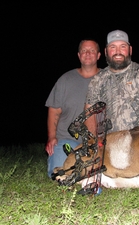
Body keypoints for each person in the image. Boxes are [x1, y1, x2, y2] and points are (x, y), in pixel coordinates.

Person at [45, 39, 101, 178]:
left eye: (92, 51)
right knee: (58, 173)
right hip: (67, 139)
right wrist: (52, 137)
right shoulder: (65, 79)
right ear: (78, 55)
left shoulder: (107, 79)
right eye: (84, 51)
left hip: (97, 142)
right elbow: (54, 110)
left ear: (99, 55)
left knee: (99, 173)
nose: (87, 54)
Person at [85, 30, 139, 135]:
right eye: (113, 47)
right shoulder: (98, 80)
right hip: (110, 142)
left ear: (130, 50)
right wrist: (93, 141)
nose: (118, 52)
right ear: (106, 51)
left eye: (123, 46)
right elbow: (89, 112)